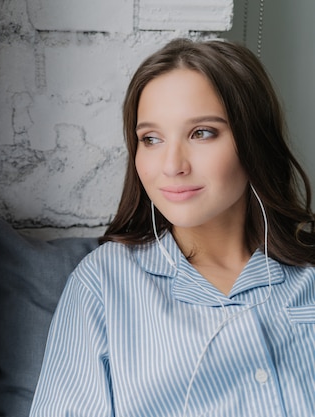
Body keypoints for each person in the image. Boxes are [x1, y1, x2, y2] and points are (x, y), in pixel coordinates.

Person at [29, 38, 315, 417]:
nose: (172, 165)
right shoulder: (103, 284)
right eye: (151, 139)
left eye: (201, 133)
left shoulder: (305, 274)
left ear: (253, 140)